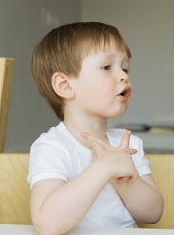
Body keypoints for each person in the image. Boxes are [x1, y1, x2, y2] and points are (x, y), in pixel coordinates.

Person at [28, 22, 164, 235]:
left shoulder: (127, 144)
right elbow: (48, 225)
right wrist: (104, 168)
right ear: (65, 85)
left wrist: (123, 179)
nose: (123, 76)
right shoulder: (52, 147)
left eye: (125, 67)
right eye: (107, 67)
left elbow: (153, 213)